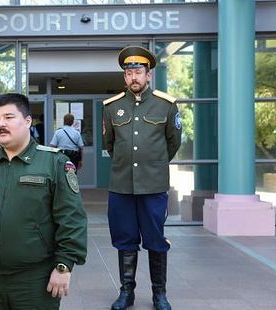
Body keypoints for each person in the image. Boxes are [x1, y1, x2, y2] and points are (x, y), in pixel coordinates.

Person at [0, 93, 88, 309]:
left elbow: (72, 218)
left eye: (9, 117)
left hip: (35, 280)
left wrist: (64, 266)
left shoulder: (54, 162)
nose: (1, 124)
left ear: (28, 121)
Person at [102, 46, 182, 310]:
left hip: (153, 185)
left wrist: (152, 165)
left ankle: (159, 294)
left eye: (138, 71)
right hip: (122, 185)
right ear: (124, 77)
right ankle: (127, 292)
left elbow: (173, 143)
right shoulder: (112, 107)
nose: (133, 76)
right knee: (125, 239)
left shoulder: (166, 105)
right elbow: (110, 145)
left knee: (155, 239)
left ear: (149, 74)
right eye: (128, 72)